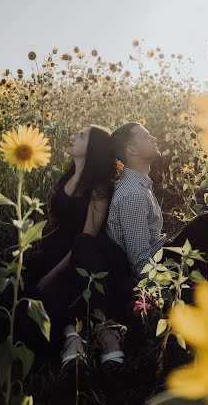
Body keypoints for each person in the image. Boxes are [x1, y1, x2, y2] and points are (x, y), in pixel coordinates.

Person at [14, 124, 132, 373]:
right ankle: (72, 335)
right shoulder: (67, 177)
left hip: (86, 253)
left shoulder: (99, 187)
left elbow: (87, 237)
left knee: (64, 280)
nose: (72, 136)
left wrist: (53, 272)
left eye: (80, 136)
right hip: (54, 250)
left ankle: (95, 335)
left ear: (92, 149)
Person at [105, 122, 208, 302]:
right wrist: (165, 298)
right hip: (159, 267)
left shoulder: (138, 185)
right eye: (145, 136)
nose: (154, 139)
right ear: (132, 150)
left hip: (163, 256)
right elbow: (139, 260)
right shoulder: (132, 194)